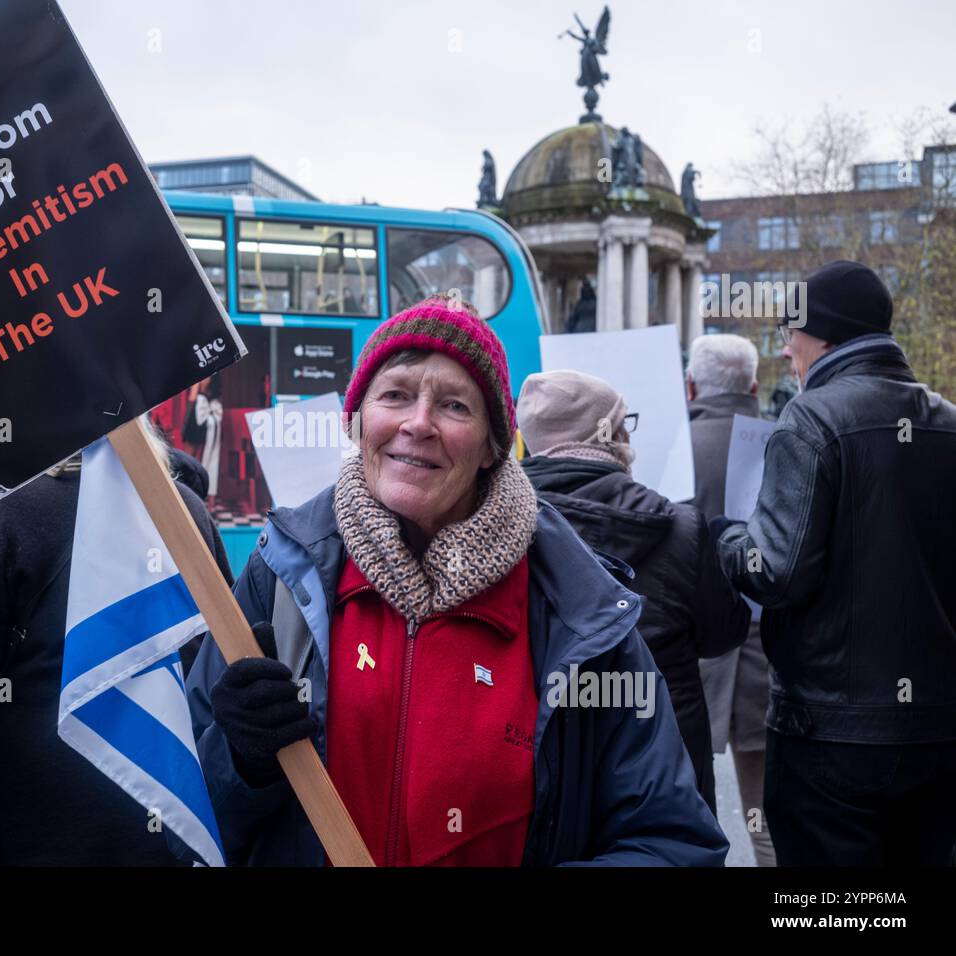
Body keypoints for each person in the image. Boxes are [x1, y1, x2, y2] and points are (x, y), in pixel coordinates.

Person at [185, 295, 727, 866]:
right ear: (357, 421)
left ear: (495, 447)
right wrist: (240, 762)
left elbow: (673, 844)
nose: (417, 423)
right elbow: (181, 811)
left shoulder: (579, 608)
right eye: (394, 395)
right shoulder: (279, 578)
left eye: (454, 406)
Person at [716, 260, 956, 866]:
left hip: (830, 733)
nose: (786, 351)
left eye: (788, 335)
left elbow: (775, 570)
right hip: (938, 728)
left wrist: (727, 537)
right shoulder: (948, 424)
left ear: (820, 333)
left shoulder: (812, 418)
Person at [0, 426, 233, 866]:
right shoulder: (184, 509)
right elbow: (220, 649)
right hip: (162, 778)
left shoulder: (16, 508)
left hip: (35, 791)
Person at [517, 369, 751, 814]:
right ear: (611, 433)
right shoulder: (682, 526)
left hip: (538, 752)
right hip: (666, 755)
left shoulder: (493, 522)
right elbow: (724, 633)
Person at [685, 334, 775, 866]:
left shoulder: (671, 446)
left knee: (686, 816)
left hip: (689, 662)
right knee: (765, 823)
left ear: (691, 385)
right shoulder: (794, 443)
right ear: (756, 387)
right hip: (773, 659)